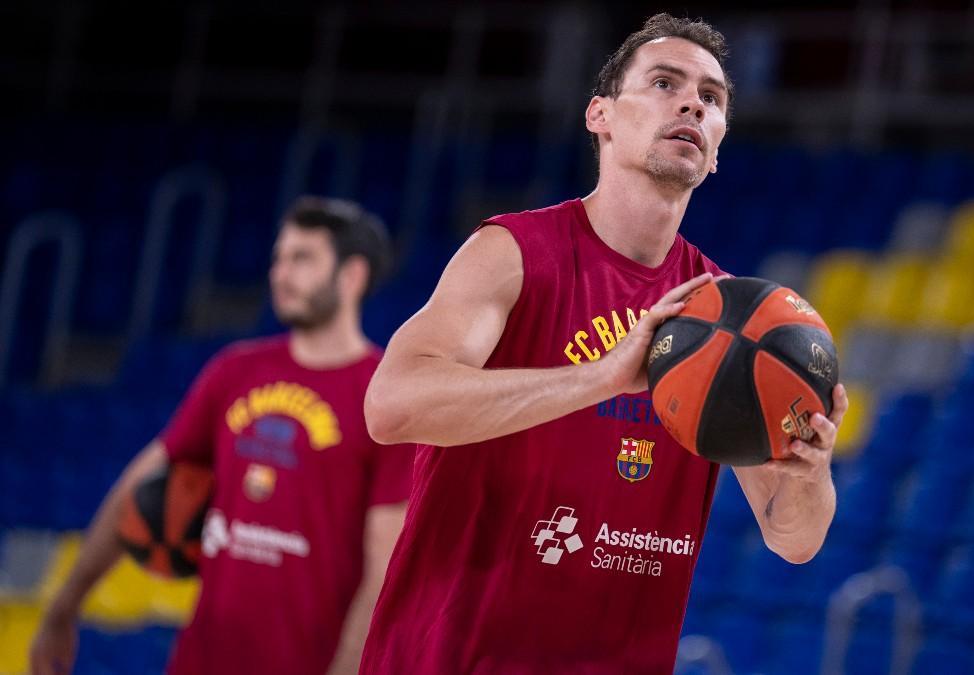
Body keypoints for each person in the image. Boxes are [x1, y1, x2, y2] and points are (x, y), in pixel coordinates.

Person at [359, 13, 848, 674]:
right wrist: (603, 375)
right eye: (665, 82)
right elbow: (391, 405)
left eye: (712, 97)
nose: (692, 103)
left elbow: (796, 539)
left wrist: (806, 473)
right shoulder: (513, 253)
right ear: (601, 116)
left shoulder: (730, 313)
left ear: (719, 142)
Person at [30, 197, 416, 675]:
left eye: (302, 258)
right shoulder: (234, 371)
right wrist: (65, 605)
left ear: (351, 275)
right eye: (278, 257)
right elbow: (142, 484)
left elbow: (385, 567)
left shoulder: (382, 396)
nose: (280, 273)